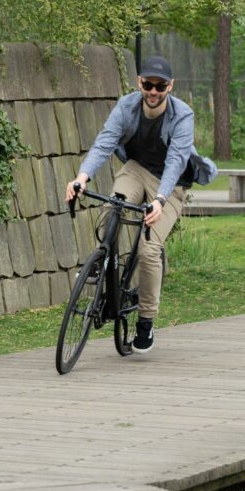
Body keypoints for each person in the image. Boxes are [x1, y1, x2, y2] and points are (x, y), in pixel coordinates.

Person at [65, 55, 216, 353]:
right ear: (139, 83)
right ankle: (102, 260)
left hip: (170, 186)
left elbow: (175, 161)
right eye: (148, 84)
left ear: (170, 87)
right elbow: (105, 143)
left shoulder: (183, 115)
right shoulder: (126, 105)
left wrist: (159, 200)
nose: (153, 91)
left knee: (149, 251)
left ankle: (146, 320)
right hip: (136, 169)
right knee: (113, 206)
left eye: (160, 86)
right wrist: (81, 178)